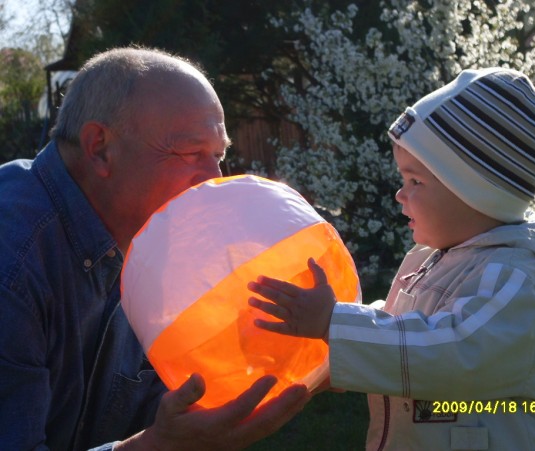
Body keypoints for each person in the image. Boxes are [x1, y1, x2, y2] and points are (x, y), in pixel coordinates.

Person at [248, 67, 535, 450]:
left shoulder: (519, 277)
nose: (399, 194)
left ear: (475, 191)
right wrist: (340, 348)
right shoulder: (432, 258)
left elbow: (455, 353)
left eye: (415, 181)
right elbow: (410, 328)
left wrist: (334, 324)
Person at [0, 46, 309, 451]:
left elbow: (168, 410)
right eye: (191, 152)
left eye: (218, 157)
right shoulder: (13, 263)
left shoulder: (155, 237)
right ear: (99, 148)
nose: (213, 180)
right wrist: (158, 446)